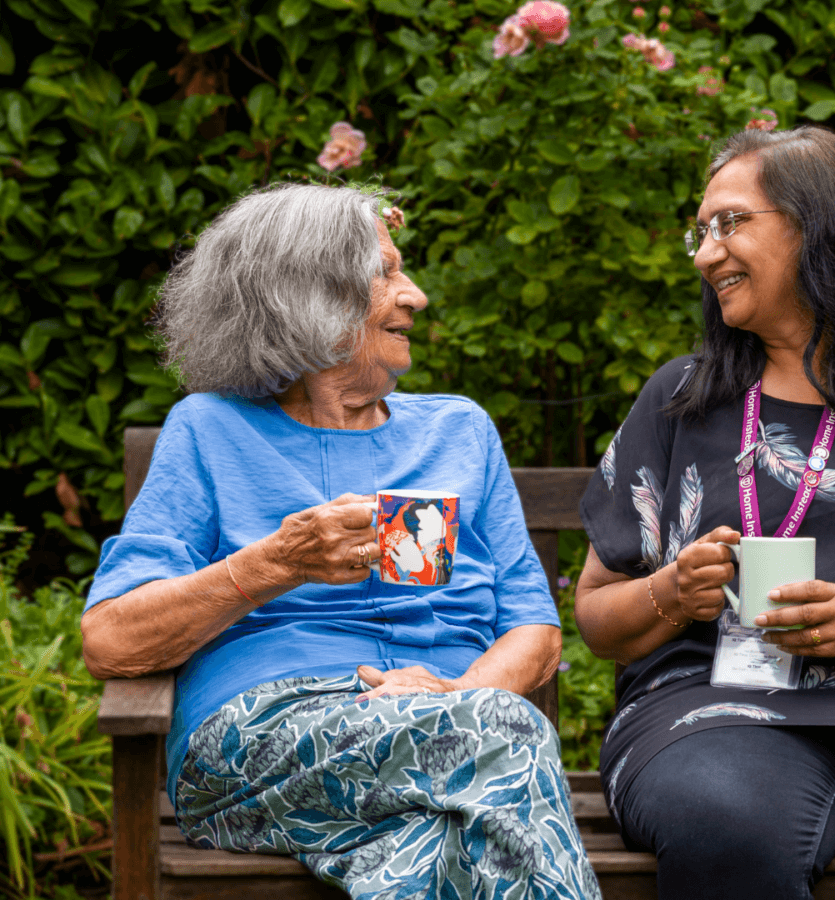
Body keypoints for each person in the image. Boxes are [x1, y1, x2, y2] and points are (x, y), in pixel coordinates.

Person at [81, 184, 601, 900]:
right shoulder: (210, 430)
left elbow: (535, 633)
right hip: (265, 734)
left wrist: (457, 694)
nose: (414, 295)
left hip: (461, 720)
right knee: (504, 734)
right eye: (385, 274)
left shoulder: (460, 431)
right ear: (307, 295)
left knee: (430, 854)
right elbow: (110, 641)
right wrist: (275, 564)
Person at [575, 126, 835, 900]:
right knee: (725, 821)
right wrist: (671, 593)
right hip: (711, 703)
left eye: (731, 223)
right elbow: (599, 616)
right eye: (699, 232)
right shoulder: (680, 400)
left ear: (818, 227)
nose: (706, 254)